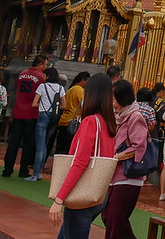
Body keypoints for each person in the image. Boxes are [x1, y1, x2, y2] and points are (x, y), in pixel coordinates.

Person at [48, 73, 117, 239]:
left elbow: (79, 163)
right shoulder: (107, 122)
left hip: (82, 195)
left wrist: (59, 199)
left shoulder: (91, 122)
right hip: (98, 193)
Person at [102, 80, 148, 239]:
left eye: (114, 99)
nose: (112, 103)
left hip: (129, 175)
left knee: (115, 219)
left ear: (122, 98)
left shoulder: (135, 116)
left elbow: (139, 146)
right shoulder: (119, 116)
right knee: (108, 216)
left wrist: (116, 157)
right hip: (115, 175)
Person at [2, 54, 47, 178]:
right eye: (45, 65)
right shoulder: (40, 77)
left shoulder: (22, 74)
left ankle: (7, 169)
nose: (45, 67)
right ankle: (23, 170)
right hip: (31, 113)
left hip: (18, 111)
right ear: (40, 64)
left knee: (13, 142)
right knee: (28, 144)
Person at [28, 66, 66, 181]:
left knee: (39, 147)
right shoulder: (60, 88)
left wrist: (43, 105)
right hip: (54, 117)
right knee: (44, 145)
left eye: (44, 75)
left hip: (43, 116)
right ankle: (39, 172)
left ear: (48, 76)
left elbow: (34, 104)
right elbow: (64, 105)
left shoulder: (42, 86)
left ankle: (35, 174)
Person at [57, 72, 89, 155]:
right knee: (68, 149)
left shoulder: (71, 89)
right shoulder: (80, 91)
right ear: (83, 80)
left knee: (60, 149)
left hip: (64, 120)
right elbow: (84, 106)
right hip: (72, 123)